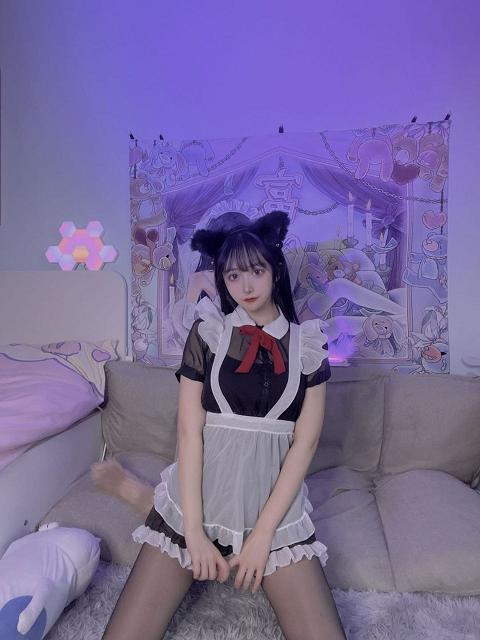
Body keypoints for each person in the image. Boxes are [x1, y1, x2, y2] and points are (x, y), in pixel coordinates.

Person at [94, 210, 348, 639]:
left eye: (256, 271)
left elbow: (304, 445)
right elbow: (189, 433)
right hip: (197, 505)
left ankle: (140, 495)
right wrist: (193, 532)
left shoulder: (309, 344)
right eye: (233, 276)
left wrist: (262, 537)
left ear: (275, 271)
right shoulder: (209, 332)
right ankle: (149, 500)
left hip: (273, 513)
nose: (246, 286)